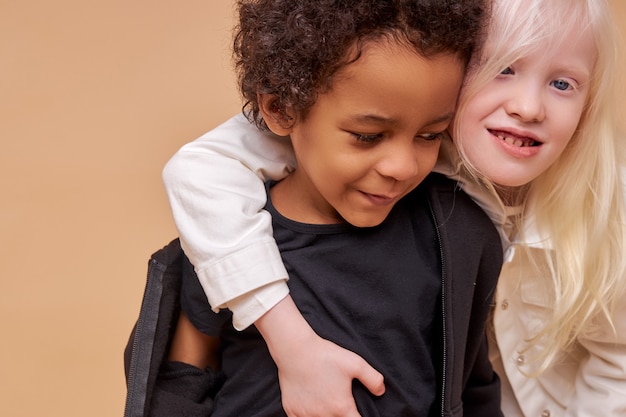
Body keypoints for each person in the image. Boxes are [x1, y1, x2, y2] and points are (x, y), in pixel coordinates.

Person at [163, 0, 626, 416]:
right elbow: (199, 170)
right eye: (502, 68)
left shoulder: (480, 222)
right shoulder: (259, 201)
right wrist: (294, 346)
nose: (528, 106)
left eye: (563, 82)